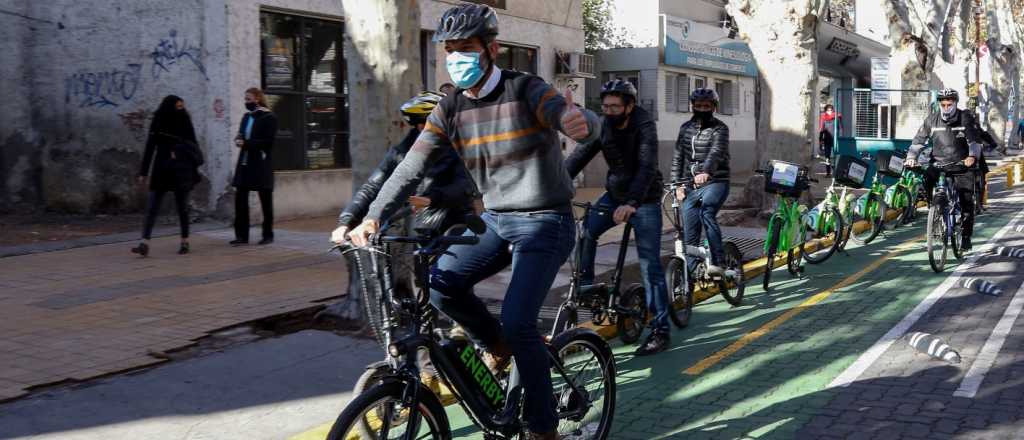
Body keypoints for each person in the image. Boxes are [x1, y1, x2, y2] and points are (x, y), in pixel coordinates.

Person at [346, 4, 600, 439]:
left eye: (465, 49)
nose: (456, 58)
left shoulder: (526, 89)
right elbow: (408, 169)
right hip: (498, 220)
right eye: (449, 50)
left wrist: (581, 122)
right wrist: (371, 217)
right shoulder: (449, 109)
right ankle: (495, 345)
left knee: (520, 320)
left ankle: (544, 430)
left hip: (546, 222)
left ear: (492, 49)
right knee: (441, 285)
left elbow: (569, 116)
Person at [563, 79, 670, 356]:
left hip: (644, 198)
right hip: (614, 194)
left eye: (615, 106)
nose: (609, 111)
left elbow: (647, 167)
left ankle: (660, 330)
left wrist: (633, 202)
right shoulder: (603, 125)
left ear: (630, 106)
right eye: (606, 106)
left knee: (650, 266)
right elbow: (579, 156)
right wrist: (555, 184)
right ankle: (587, 286)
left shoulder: (645, 126)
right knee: (587, 229)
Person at [330, 91, 475, 241]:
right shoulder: (401, 151)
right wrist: (346, 221)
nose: (424, 129)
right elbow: (371, 188)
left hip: (455, 225)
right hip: (418, 228)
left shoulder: (460, 148)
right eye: (419, 125)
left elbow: (466, 186)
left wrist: (432, 198)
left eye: (427, 123)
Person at [905, 88, 981, 251]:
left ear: (955, 103)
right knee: (925, 179)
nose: (946, 107)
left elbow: (974, 141)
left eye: (949, 104)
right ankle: (936, 210)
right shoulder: (932, 120)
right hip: (939, 164)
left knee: (967, 201)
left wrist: (972, 157)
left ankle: (966, 236)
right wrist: (911, 157)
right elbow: (918, 141)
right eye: (943, 104)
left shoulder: (965, 117)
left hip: (962, 165)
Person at [132, 95, 203, 257]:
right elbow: (150, 147)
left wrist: (179, 151)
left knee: (182, 208)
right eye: (177, 106)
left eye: (182, 106)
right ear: (169, 106)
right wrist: (143, 172)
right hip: (161, 169)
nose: (180, 109)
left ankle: (185, 241)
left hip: (181, 169)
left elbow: (194, 145)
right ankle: (144, 242)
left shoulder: (184, 119)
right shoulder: (158, 120)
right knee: (152, 207)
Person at [671, 88, 731, 278]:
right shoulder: (685, 128)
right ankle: (693, 269)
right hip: (690, 183)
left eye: (707, 106)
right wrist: (676, 184)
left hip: (715, 181)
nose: (702, 109)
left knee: (707, 213)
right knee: (690, 228)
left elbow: (716, 151)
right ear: (692, 106)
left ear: (714, 107)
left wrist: (706, 171)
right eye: (698, 106)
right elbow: (678, 157)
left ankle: (719, 261)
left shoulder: (720, 128)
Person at [231, 87, 278, 246]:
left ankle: (267, 234)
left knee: (265, 200)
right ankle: (241, 236)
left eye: (249, 99)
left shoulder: (269, 117)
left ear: (257, 99)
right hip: (244, 163)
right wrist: (239, 138)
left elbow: (268, 142)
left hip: (261, 164)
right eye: (245, 99)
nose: (247, 102)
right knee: (240, 199)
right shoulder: (246, 117)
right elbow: (241, 134)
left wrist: (247, 143)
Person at [819, 104, 842, 176]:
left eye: (831, 110)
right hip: (827, 140)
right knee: (827, 157)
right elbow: (821, 130)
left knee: (836, 156)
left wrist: (840, 137)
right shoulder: (823, 118)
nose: (829, 112)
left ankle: (836, 172)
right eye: (828, 110)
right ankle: (828, 173)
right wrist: (820, 141)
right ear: (825, 111)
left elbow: (840, 128)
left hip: (835, 140)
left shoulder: (836, 118)